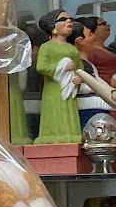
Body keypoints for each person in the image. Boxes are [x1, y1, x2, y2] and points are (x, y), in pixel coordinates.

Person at [34, 9, 82, 143]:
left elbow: (79, 69)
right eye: (63, 19)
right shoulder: (46, 47)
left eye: (70, 18)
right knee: (55, 113)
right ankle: (52, 135)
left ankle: (71, 134)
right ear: (53, 26)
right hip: (53, 89)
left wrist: (79, 79)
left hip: (70, 88)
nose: (69, 21)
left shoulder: (72, 49)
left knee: (69, 112)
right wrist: (63, 67)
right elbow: (41, 66)